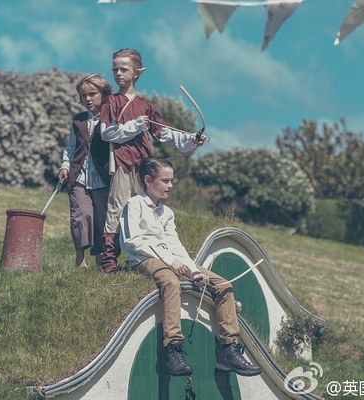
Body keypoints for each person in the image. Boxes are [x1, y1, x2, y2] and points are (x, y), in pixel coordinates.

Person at [119, 156, 262, 377]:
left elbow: (175, 244)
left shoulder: (167, 213)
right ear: (148, 180)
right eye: (165, 180)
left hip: (170, 258)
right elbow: (133, 241)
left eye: (171, 180)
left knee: (223, 285)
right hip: (143, 258)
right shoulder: (134, 204)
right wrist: (171, 263)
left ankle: (228, 349)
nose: (170, 185)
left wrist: (193, 270)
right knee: (170, 282)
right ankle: (172, 348)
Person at [94, 48, 205, 273]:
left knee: (146, 211)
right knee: (117, 209)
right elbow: (107, 133)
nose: (118, 73)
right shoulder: (110, 102)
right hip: (122, 163)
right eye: (115, 69)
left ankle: (141, 259)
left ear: (137, 72)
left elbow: (164, 134)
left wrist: (191, 139)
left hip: (145, 167)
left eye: (124, 69)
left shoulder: (146, 106)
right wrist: (135, 126)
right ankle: (109, 263)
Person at [57, 74, 112, 269]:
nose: (88, 99)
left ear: (104, 94)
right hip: (78, 176)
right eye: (83, 95)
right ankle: (80, 259)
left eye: (92, 94)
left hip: (102, 177)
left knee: (100, 219)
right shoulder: (78, 121)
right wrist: (65, 166)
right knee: (80, 215)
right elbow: (71, 147)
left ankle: (99, 260)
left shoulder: (110, 119)